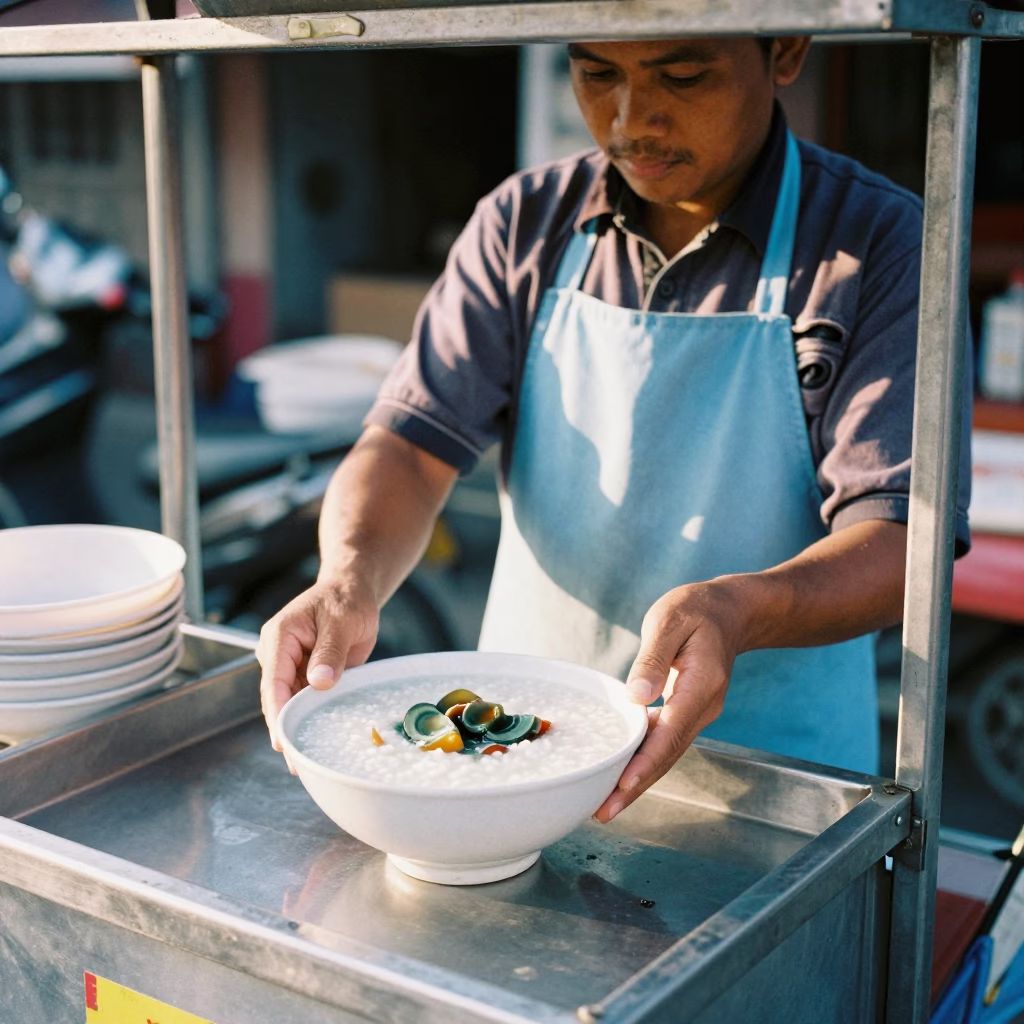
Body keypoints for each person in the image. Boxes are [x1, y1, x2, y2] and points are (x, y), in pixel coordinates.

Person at [258, 35, 972, 823]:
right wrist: (348, 576)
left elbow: (904, 540)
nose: (632, 119)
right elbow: (408, 444)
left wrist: (741, 610)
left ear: (786, 50)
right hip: (514, 764)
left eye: (684, 73)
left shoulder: (878, 242)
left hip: (775, 792)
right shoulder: (523, 224)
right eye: (597, 73)